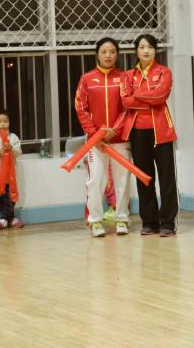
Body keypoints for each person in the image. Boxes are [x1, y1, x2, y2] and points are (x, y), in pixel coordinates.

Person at [121, 34, 178, 237]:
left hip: (161, 131)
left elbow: (160, 96)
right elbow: (125, 101)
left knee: (167, 179)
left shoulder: (164, 72)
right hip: (137, 132)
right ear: (136, 50)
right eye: (142, 47)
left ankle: (168, 223)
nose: (146, 51)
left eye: (150, 47)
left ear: (155, 50)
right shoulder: (128, 76)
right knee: (144, 178)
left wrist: (137, 95)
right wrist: (148, 97)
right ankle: (149, 222)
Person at [75, 37, 132, 238]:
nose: (108, 55)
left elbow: (127, 108)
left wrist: (114, 130)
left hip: (120, 140)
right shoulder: (87, 79)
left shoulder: (124, 78)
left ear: (117, 55)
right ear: (97, 54)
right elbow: (81, 108)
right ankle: (95, 221)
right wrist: (95, 134)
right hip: (95, 142)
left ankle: (121, 218)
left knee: (123, 180)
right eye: (104, 51)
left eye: (112, 52)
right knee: (95, 180)